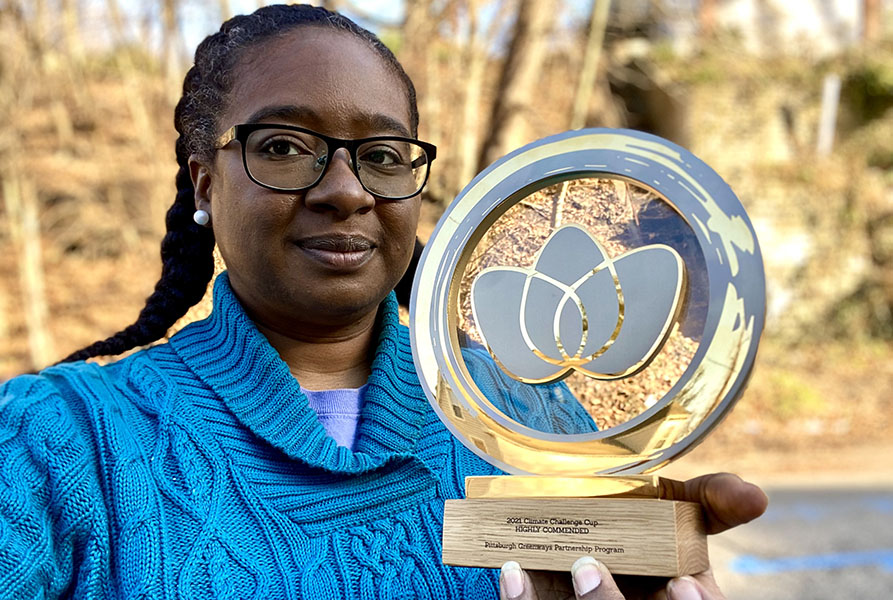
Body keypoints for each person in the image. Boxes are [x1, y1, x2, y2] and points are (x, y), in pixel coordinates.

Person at [0, 5, 767, 599]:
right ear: (205, 182)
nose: (345, 190)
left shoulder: (531, 413)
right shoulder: (59, 440)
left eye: (382, 155)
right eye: (283, 146)